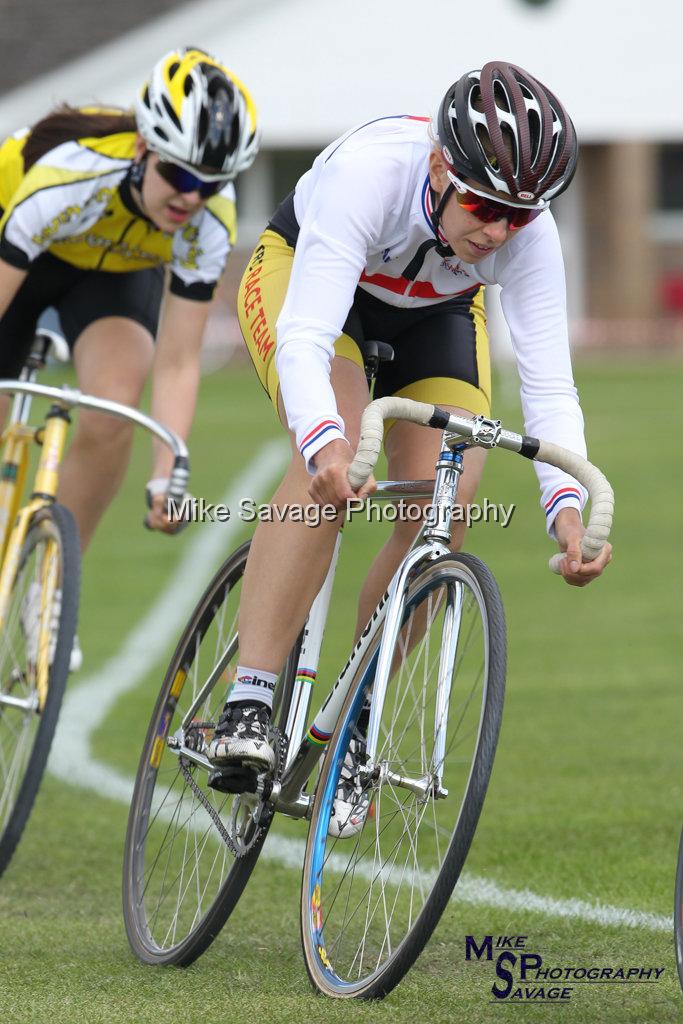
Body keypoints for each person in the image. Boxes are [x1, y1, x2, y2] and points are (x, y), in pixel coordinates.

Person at [206, 60, 612, 785]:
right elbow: (303, 340)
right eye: (483, 207)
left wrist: (567, 512)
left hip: (438, 313)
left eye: (516, 216)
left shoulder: (525, 232)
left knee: (441, 505)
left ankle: (356, 710)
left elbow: (550, 387)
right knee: (331, 458)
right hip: (312, 280)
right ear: (436, 166)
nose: (497, 230)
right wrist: (324, 440)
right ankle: (250, 695)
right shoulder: (369, 176)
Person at [0, 46, 259, 667]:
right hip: (21, 260)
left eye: (213, 184)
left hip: (111, 278)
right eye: (181, 177)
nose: (193, 198)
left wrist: (168, 469)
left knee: (113, 409)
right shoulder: (68, 177)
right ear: (144, 148)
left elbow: (177, 360)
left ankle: (50, 586)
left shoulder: (206, 224)